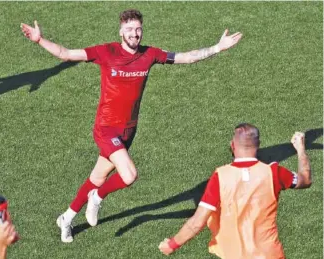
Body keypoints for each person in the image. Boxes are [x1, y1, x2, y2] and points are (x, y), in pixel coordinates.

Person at [21, 9, 243, 243]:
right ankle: (97, 197)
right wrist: (40, 40)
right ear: (120, 32)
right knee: (129, 174)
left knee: (97, 176)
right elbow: (65, 53)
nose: (134, 34)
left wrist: (218, 47)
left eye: (138, 29)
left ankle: (66, 218)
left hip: (128, 131)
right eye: (129, 30)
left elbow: (185, 57)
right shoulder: (106, 52)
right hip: (105, 128)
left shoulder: (150, 55)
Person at [159, 123, 312, 259]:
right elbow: (305, 180)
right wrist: (300, 149)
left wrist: (172, 245)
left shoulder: (220, 176)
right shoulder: (274, 172)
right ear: (258, 145)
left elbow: (197, 222)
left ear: (232, 145)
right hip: (270, 254)